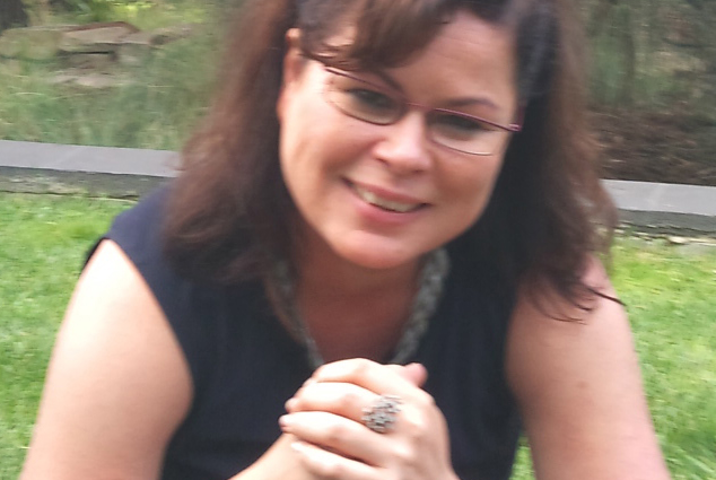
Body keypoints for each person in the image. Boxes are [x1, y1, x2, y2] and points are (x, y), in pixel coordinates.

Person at [20, 0, 671, 479]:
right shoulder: (152, 277)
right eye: (369, 97)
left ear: (514, 129)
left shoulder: (544, 281)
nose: (405, 154)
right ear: (291, 75)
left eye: (462, 124)